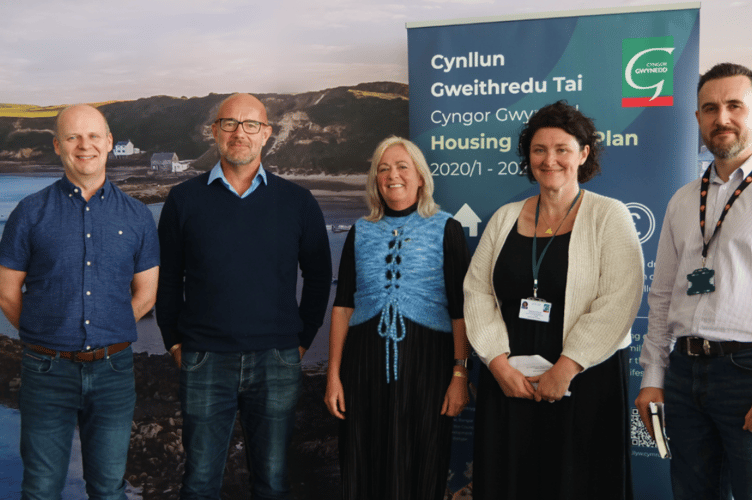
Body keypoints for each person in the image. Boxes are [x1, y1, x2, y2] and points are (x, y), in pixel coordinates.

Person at [464, 100, 644, 499]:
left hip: (584, 379)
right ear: (528, 159)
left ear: (583, 154)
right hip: (510, 380)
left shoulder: (608, 215)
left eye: (562, 149)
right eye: (539, 150)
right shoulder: (504, 217)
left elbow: (620, 298)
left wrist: (565, 369)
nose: (550, 160)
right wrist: (497, 363)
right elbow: (477, 291)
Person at [156, 93, 332, 500]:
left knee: (271, 483)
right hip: (204, 359)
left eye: (251, 124)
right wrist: (174, 342)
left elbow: (320, 275)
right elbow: (168, 278)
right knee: (199, 485)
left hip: (276, 360)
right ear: (215, 131)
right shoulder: (184, 199)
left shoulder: (298, 202)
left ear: (266, 134)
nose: (240, 133)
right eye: (230, 123)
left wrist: (302, 339)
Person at [0, 104, 160, 499]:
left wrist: (112, 329)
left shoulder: (138, 216)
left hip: (114, 373)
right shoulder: (28, 213)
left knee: (108, 489)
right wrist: (48, 333)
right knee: (40, 488)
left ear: (108, 143)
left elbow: (146, 294)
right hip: (45, 371)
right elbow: (6, 293)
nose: (83, 145)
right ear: (58, 145)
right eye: (73, 137)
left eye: (93, 136)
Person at [324, 136, 471, 500]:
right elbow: (342, 306)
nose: (393, 175)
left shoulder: (446, 228)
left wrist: (460, 373)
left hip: (427, 366)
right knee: (362, 459)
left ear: (420, 177)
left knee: (421, 461)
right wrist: (333, 375)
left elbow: (461, 310)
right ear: (376, 180)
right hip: (363, 366)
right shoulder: (360, 231)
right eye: (383, 169)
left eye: (402, 166)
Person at [636, 62, 752, 500]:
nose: (721, 118)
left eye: (735, 105)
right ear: (698, 119)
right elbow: (663, 293)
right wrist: (652, 376)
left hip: (746, 372)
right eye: (709, 108)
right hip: (684, 374)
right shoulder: (684, 199)